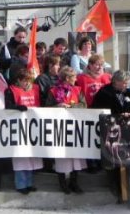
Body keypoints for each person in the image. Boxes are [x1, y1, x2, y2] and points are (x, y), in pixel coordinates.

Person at [91, 70, 130, 203]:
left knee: (125, 160)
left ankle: (125, 189)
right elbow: (98, 111)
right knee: (112, 160)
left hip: (127, 132)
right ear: (116, 81)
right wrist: (116, 117)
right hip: (110, 132)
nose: (126, 84)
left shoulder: (128, 93)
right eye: (124, 82)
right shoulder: (104, 93)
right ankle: (115, 189)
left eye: (127, 82)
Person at [45, 66, 87, 194]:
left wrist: (71, 106)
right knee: (61, 156)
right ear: (67, 78)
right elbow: (46, 108)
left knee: (76, 156)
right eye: (74, 76)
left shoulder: (77, 90)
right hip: (59, 129)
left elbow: (84, 105)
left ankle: (74, 183)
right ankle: (63, 183)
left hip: (75, 127)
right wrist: (57, 106)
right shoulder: (53, 91)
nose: (76, 79)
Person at [5, 69, 43, 194]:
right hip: (18, 129)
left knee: (31, 157)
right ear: (18, 80)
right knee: (21, 158)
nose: (27, 83)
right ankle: (21, 185)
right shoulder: (11, 91)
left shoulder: (36, 89)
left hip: (32, 128)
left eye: (29, 81)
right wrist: (17, 107)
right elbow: (8, 106)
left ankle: (29, 183)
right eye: (24, 81)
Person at [76, 54, 111, 172]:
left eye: (101, 65)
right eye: (96, 64)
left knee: (102, 138)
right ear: (90, 66)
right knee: (89, 138)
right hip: (89, 112)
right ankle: (90, 164)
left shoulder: (107, 77)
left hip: (104, 112)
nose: (99, 67)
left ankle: (102, 162)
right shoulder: (81, 78)